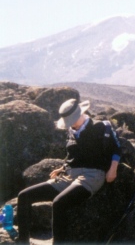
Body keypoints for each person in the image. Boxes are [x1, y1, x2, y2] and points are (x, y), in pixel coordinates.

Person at [17, 98, 121, 244]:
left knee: (59, 203)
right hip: (70, 175)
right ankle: (22, 241)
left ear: (81, 114)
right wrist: (62, 168)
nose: (71, 124)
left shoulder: (101, 126)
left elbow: (117, 148)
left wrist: (113, 169)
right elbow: (72, 155)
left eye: (72, 120)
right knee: (24, 196)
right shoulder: (71, 132)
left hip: (92, 175)